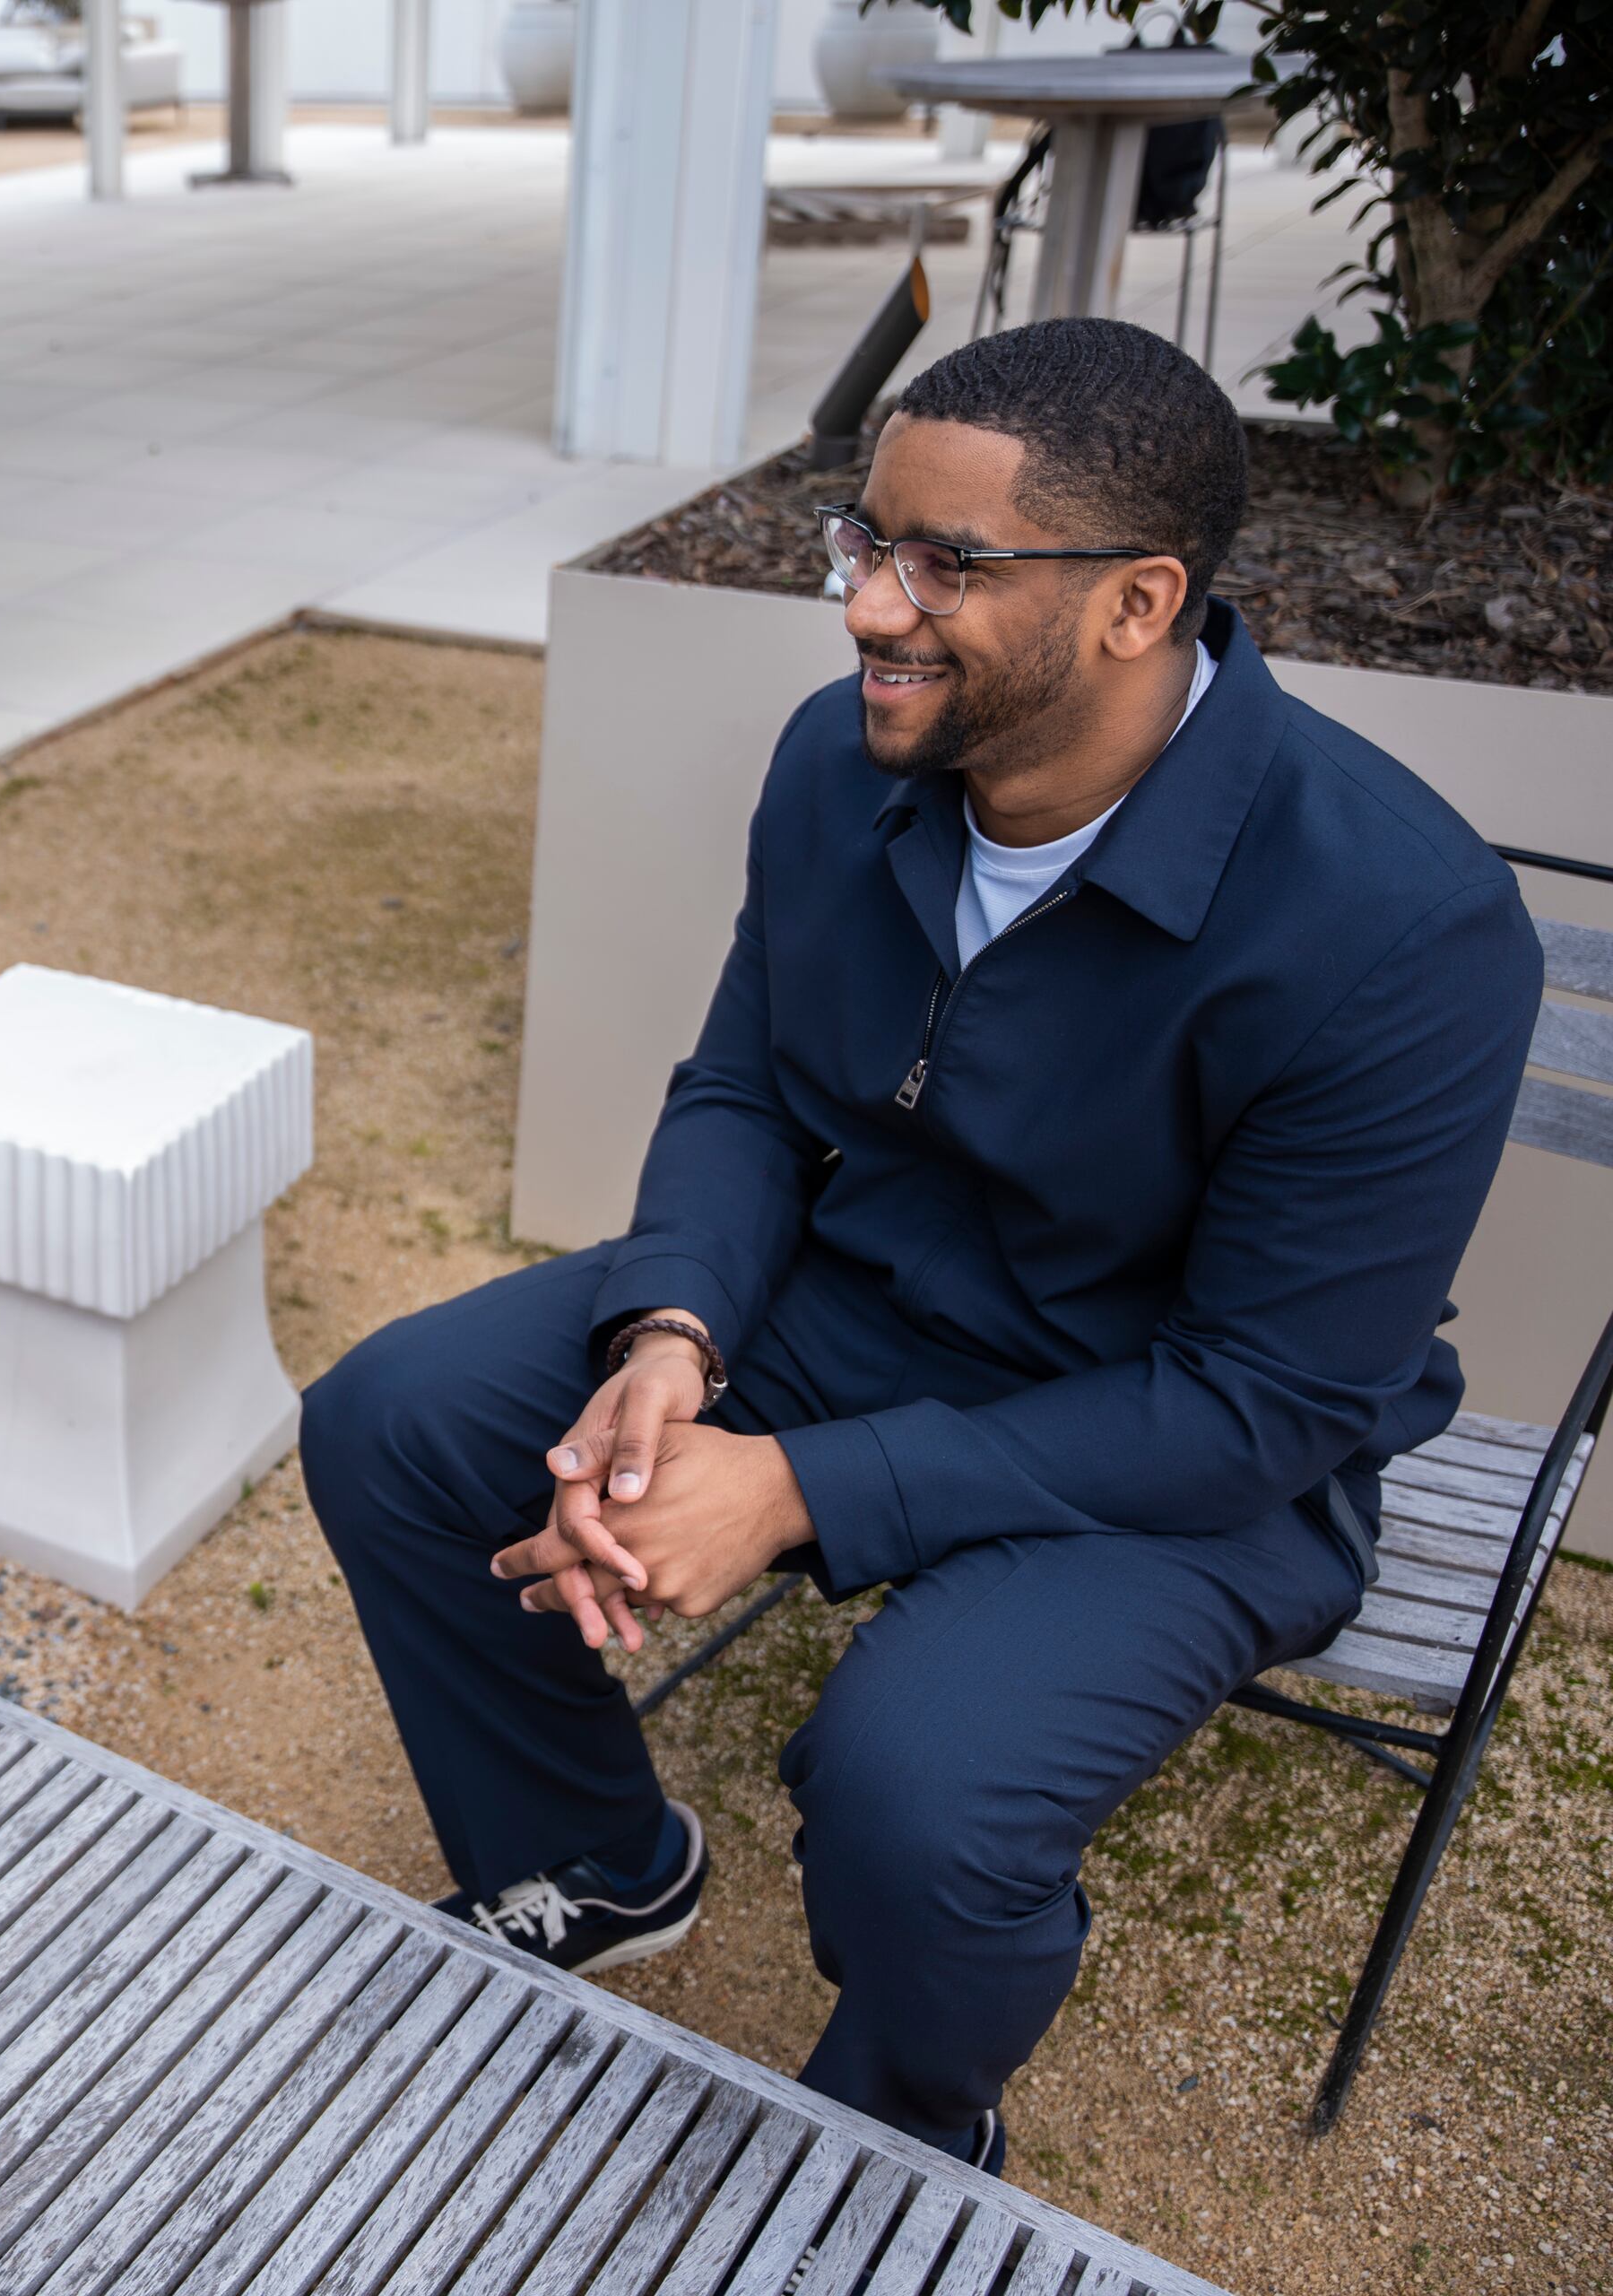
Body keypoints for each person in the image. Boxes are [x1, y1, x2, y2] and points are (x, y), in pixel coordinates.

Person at [299, 319, 1542, 2170]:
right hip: (858, 1302)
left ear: (1141, 602)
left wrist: (789, 1483)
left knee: (919, 1789)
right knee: (399, 1417)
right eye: (865, 541)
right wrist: (670, 1335)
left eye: (944, 563)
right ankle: (599, 1857)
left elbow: (1267, 1399)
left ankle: (909, 2110)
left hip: (1185, 1441)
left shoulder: (1403, 927)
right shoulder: (840, 758)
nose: (871, 608)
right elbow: (745, 1083)